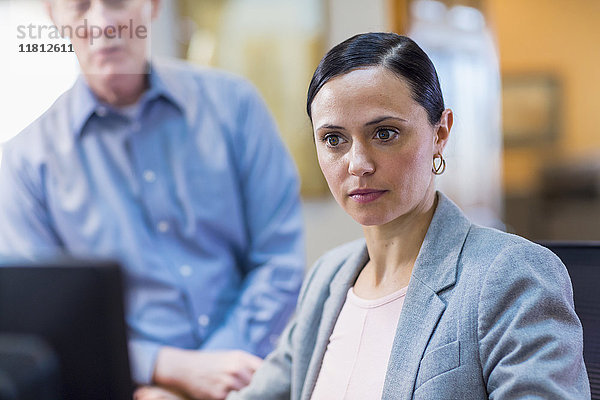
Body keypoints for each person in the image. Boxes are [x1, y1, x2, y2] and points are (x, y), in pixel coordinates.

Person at [228, 33, 590, 399]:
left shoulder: (511, 276)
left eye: (385, 133)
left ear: (440, 133)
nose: (357, 165)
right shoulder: (327, 278)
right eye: (334, 139)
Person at [0, 1, 304, 399]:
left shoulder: (236, 107)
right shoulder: (22, 163)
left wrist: (221, 370)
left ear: (154, 6)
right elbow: (46, 324)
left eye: (116, 2)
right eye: (79, 6)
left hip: (256, 376)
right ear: (54, 16)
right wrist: (165, 370)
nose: (102, 22)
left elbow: (279, 259)